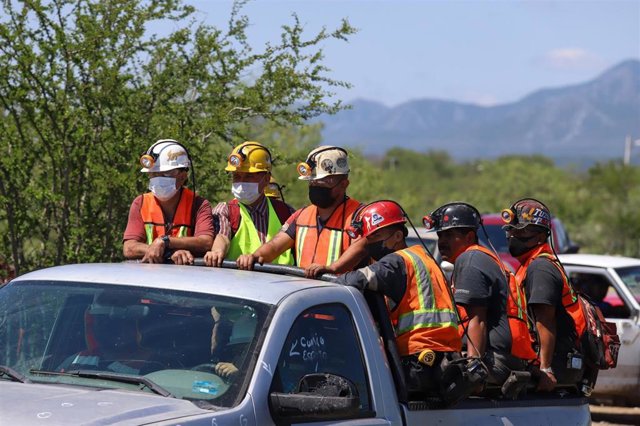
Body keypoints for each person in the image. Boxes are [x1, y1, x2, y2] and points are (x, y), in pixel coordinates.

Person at [336, 200, 463, 402]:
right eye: (368, 238)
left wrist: (328, 273)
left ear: (397, 236)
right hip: (442, 361)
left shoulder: (398, 261)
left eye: (376, 236)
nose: (370, 243)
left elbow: (354, 280)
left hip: (417, 359)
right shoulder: (423, 257)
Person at [425, 202, 535, 397]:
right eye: (440, 235)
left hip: (495, 360)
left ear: (469, 236)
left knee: (422, 376)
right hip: (506, 358)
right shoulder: (482, 257)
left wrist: (472, 371)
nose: (442, 241)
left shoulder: (470, 260)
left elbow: (478, 320)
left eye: (450, 235)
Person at [237, 146, 367, 275]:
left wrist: (332, 269)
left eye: (322, 182)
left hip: (341, 294)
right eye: (312, 182)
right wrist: (255, 256)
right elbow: (275, 245)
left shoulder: (360, 215)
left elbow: (361, 247)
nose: (316, 186)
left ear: (344, 184)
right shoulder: (302, 215)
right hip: (304, 292)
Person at [502, 198, 587, 393]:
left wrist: (545, 368)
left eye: (522, 231)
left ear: (541, 237)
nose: (513, 236)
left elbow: (545, 321)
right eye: (512, 230)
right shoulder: (530, 264)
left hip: (555, 362)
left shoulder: (541, 267)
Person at [123, 139, 214, 264]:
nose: (158, 179)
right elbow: (129, 248)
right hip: (148, 277)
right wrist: (160, 250)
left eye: (165, 174)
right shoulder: (140, 203)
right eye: (153, 174)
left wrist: (166, 242)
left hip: (188, 277)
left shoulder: (199, 204)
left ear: (183, 176)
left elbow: (206, 242)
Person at [204, 142, 294, 267]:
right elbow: (222, 235)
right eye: (237, 176)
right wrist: (217, 252)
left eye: (248, 176)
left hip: (281, 283)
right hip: (237, 284)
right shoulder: (226, 210)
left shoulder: (286, 212)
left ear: (267, 179)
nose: (241, 182)